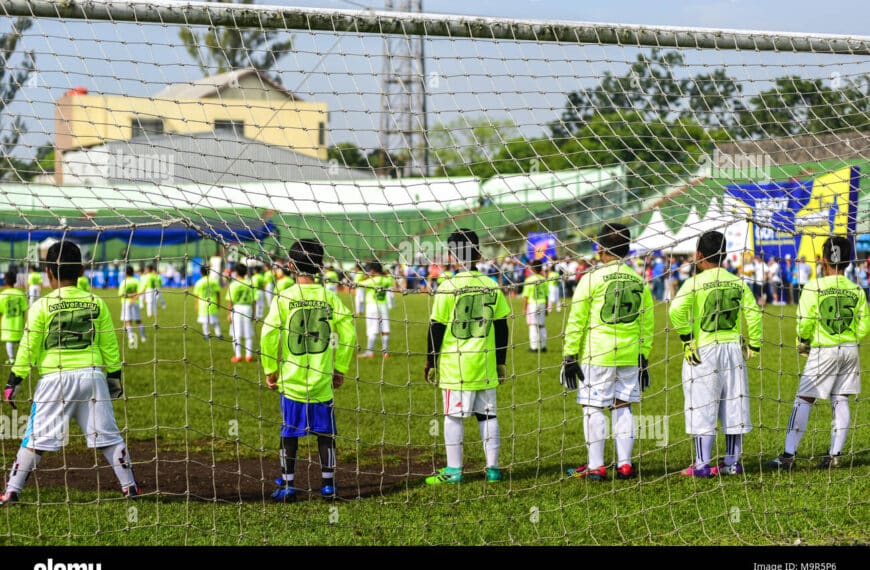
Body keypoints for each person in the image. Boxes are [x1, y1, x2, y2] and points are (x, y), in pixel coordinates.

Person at [1, 241, 139, 506]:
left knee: (35, 439)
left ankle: (12, 491)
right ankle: (130, 487)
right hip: (92, 376)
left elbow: (29, 345)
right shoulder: (95, 302)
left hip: (55, 379)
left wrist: (14, 379)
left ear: (48, 273)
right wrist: (114, 375)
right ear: (82, 271)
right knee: (108, 437)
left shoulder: (42, 305)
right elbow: (109, 342)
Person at [262, 239, 356, 502]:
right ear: (321, 266)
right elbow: (347, 331)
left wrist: (270, 368)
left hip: (292, 380)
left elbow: (268, 334)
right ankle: (328, 485)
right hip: (321, 379)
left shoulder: (284, 296)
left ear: (290, 265)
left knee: (289, 433)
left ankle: (289, 484)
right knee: (325, 433)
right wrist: (341, 367)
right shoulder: (329, 297)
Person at [766, 236, 869, 470]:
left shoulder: (814, 286)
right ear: (849, 261)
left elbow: (805, 320)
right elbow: (865, 323)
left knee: (804, 399)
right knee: (841, 399)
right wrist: (852, 337)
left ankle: (788, 456)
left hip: (824, 349)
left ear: (823, 260)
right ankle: (834, 455)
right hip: (849, 349)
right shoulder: (856, 290)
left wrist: (803, 341)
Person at [561, 223, 654, 481]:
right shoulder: (638, 279)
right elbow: (647, 322)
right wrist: (643, 355)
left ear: (600, 248)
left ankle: (597, 466)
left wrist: (569, 356)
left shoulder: (591, 278)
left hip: (598, 353)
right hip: (629, 354)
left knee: (593, 406)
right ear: (627, 249)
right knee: (622, 405)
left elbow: (577, 320)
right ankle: (625, 465)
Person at [668, 231, 762, 477]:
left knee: (702, 404)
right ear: (724, 255)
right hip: (733, 349)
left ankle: (701, 464)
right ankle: (732, 462)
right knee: (734, 403)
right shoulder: (737, 281)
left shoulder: (695, 282)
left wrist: (687, 338)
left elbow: (676, 310)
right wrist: (755, 345)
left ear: (699, 255)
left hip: (705, 350)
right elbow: (753, 312)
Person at [424, 229, 510, 485]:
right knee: (488, 415)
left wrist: (430, 361)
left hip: (456, 365)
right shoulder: (490, 284)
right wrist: (501, 360)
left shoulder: (448, 286)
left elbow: (436, 327)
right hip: (485, 363)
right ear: (477, 254)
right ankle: (493, 469)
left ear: (451, 255)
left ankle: (454, 470)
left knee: (453, 416)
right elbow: (502, 324)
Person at [356, 261, 395, 358]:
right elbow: (391, 279)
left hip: (372, 307)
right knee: (385, 329)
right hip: (384, 306)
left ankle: (369, 352)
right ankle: (385, 352)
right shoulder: (386, 280)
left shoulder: (372, 281)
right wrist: (387, 274)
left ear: (372, 270)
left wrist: (362, 275)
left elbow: (356, 283)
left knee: (372, 330)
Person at [226, 264, 256, 364]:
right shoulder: (250, 283)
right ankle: (248, 356)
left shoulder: (234, 284)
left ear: (236, 272)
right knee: (248, 333)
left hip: (237, 308)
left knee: (236, 333)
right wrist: (253, 313)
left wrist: (229, 313)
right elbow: (254, 300)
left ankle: (238, 356)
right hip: (248, 308)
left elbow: (230, 301)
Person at [0, 272, 27, 364]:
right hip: (18, 321)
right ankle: (22, 358)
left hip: (7, 322)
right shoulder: (20, 293)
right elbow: (24, 309)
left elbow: (1, 311)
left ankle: (11, 359)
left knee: (9, 340)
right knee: (20, 340)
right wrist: (22, 319)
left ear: (5, 281)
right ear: (15, 281)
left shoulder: (2, 295)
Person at [522, 259, 549, 352]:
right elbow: (546, 295)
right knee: (541, 325)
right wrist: (546, 308)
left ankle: (534, 347)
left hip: (532, 304)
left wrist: (524, 309)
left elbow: (525, 296)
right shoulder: (543, 280)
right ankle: (543, 346)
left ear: (532, 268)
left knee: (532, 325)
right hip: (542, 303)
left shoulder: (529, 280)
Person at [193, 265, 223, 340]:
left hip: (203, 304)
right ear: (209, 272)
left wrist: (196, 305)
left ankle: (206, 335)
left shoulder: (199, 282)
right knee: (215, 321)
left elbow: (196, 296)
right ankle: (219, 335)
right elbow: (218, 293)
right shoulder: (213, 281)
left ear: (201, 273)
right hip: (213, 303)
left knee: (205, 322)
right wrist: (219, 303)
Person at [118, 266, 145, 349]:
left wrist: (128, 296)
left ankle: (131, 338)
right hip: (135, 302)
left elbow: (121, 294)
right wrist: (134, 297)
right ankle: (143, 337)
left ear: (125, 273)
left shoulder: (124, 282)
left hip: (126, 303)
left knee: (128, 321)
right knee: (138, 320)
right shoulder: (137, 281)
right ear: (133, 272)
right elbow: (140, 291)